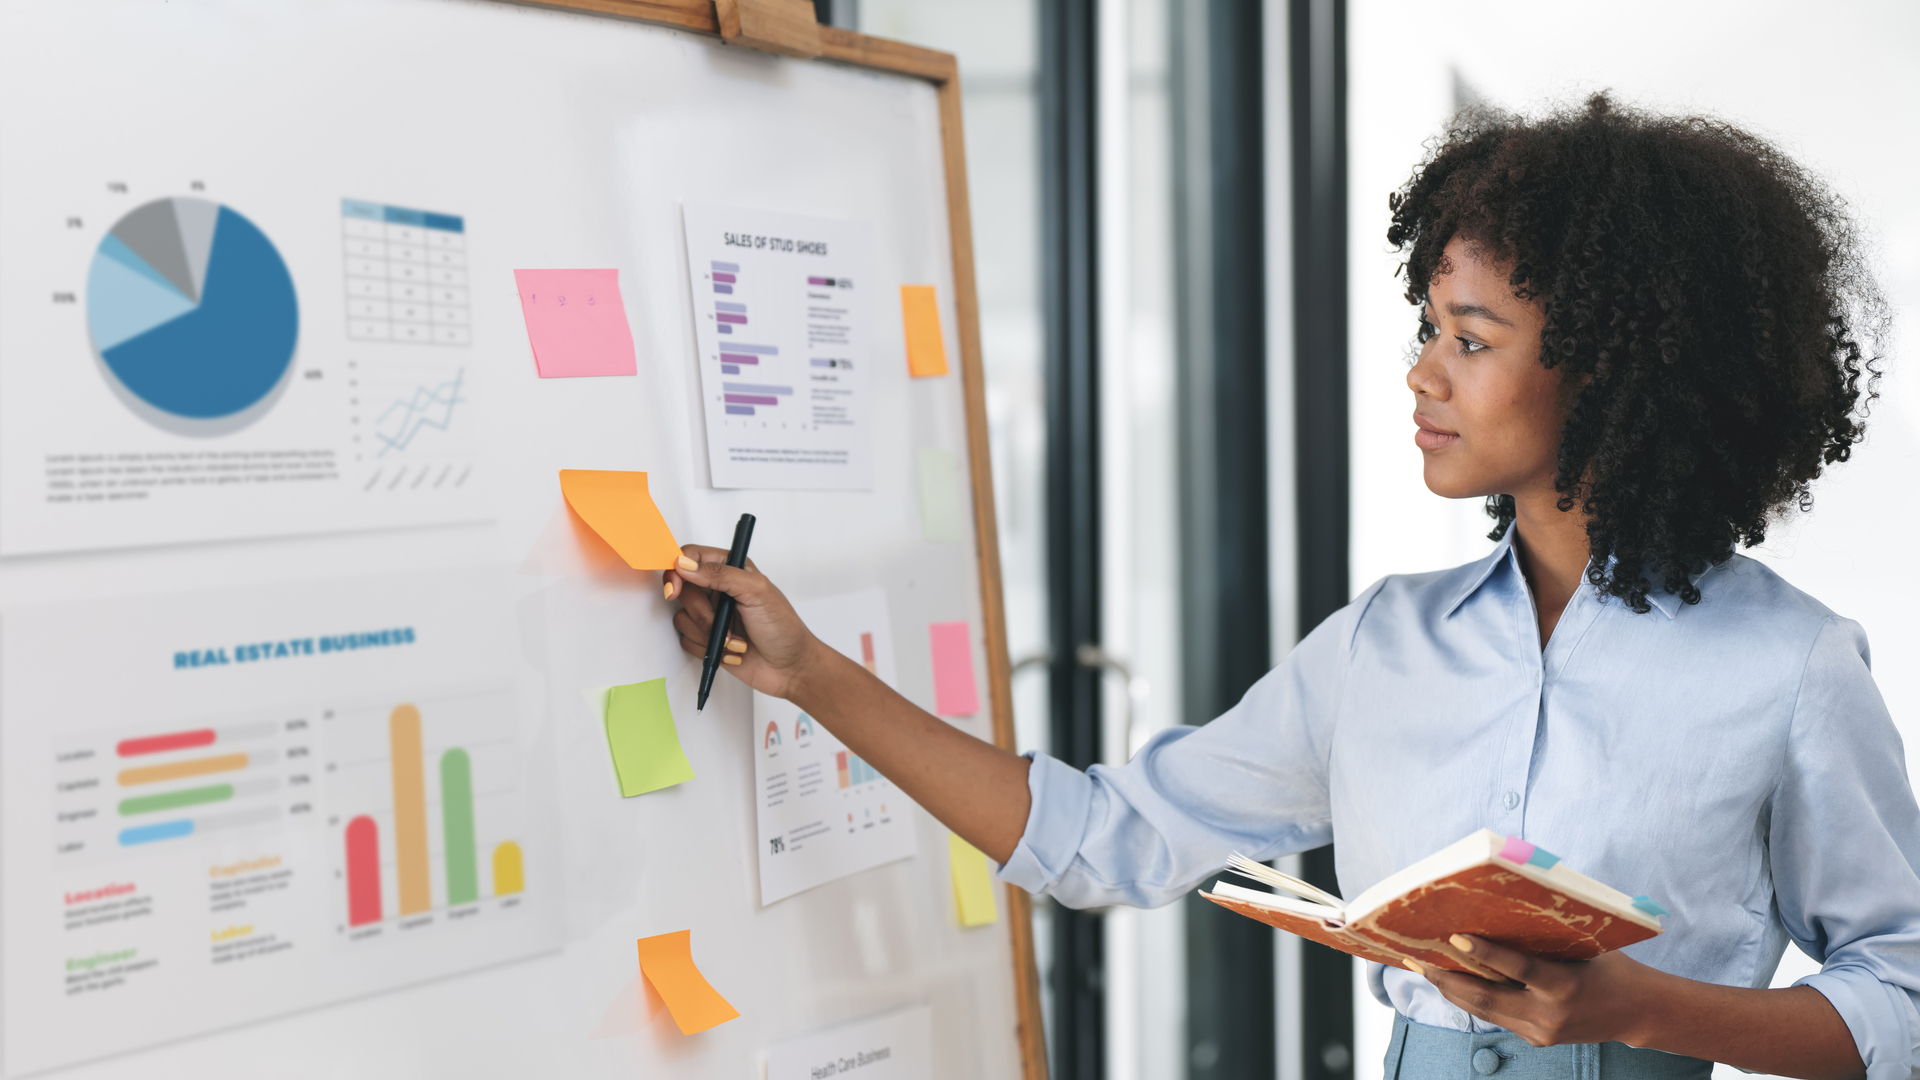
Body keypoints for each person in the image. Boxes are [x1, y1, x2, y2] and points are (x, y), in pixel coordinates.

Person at [662, 94, 1913, 1080]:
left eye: (1470, 342)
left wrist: (1641, 1006)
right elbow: (1103, 840)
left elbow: (1902, 991)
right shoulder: (1381, 647)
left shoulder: (1789, 667)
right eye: (1428, 329)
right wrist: (809, 674)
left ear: (1617, 374)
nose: (1424, 375)